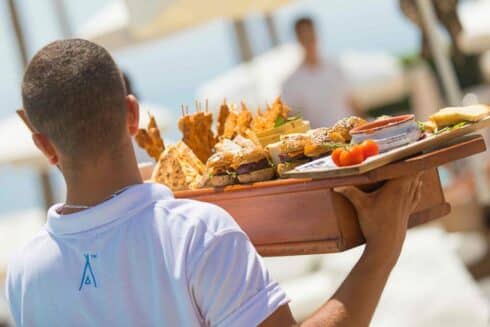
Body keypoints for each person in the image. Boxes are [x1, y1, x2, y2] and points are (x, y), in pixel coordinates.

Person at [6, 39, 422, 326]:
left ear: (45, 146)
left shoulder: (24, 276)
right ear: (133, 115)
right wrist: (381, 253)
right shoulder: (195, 232)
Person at [282, 17, 361, 128]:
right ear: (298, 39)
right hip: (320, 143)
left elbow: (353, 102)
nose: (309, 40)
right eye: (305, 36)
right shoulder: (291, 83)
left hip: (352, 133)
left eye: (311, 34)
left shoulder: (335, 67)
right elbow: (290, 121)